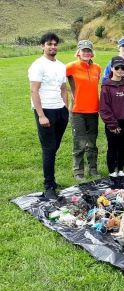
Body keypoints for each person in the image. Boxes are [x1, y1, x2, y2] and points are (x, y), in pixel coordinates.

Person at [28, 32, 68, 199]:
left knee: (54, 148)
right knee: (49, 149)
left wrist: (66, 107)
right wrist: (41, 115)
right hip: (45, 111)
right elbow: (34, 90)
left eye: (55, 44)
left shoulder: (61, 65)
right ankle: (49, 185)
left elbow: (63, 88)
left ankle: (51, 179)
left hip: (60, 111)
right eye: (49, 44)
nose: (52, 47)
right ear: (42, 46)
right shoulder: (38, 65)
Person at [66, 40, 101, 181]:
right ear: (78, 52)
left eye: (88, 50)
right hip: (77, 111)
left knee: (92, 143)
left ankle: (93, 169)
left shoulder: (97, 68)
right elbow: (58, 81)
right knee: (79, 143)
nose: (86, 53)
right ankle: (78, 171)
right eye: (83, 50)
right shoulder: (70, 67)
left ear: (92, 52)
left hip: (93, 110)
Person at [99, 56, 124, 177]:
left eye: (122, 67)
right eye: (117, 67)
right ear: (112, 68)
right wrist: (112, 124)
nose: (120, 70)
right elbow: (104, 108)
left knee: (123, 146)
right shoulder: (106, 86)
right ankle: (111, 171)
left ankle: (120, 169)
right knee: (112, 147)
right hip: (113, 122)